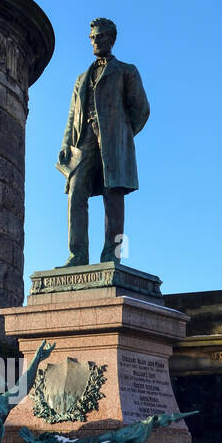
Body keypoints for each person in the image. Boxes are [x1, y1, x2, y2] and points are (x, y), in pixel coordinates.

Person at [57, 17, 150, 266]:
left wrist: (121, 135)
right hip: (83, 140)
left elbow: (141, 109)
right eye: (92, 38)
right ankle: (77, 255)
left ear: (111, 38)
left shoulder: (126, 71)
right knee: (76, 193)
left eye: (99, 36)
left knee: (113, 196)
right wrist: (67, 143)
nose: (95, 41)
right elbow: (71, 114)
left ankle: (112, 254)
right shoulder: (81, 78)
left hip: (113, 141)